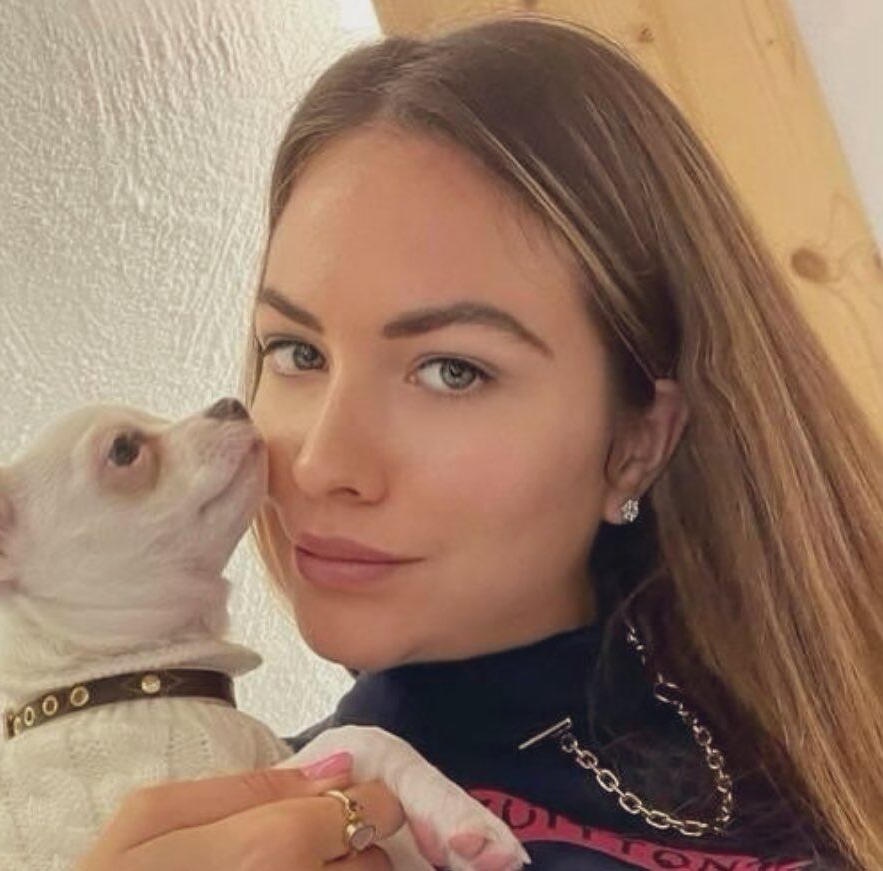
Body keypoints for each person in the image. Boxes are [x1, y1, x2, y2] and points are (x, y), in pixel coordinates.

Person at [77, 13, 883, 870]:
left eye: (450, 370)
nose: (320, 463)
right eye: (298, 353)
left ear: (638, 439)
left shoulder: (831, 698)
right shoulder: (289, 837)